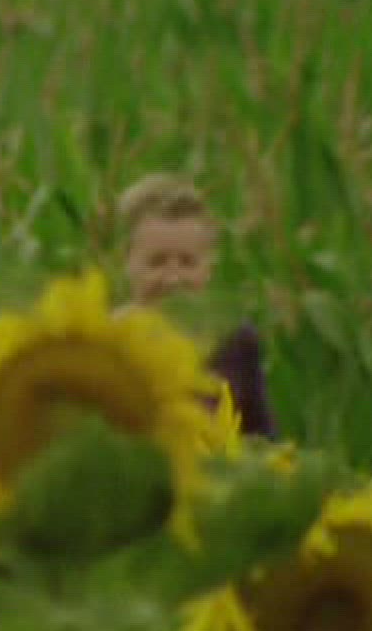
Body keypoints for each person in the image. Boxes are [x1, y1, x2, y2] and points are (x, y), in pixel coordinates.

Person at [115, 172, 277, 439]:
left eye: (187, 262)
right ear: (127, 262)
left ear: (208, 267)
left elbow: (261, 437)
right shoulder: (106, 343)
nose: (173, 278)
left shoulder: (235, 340)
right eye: (157, 262)